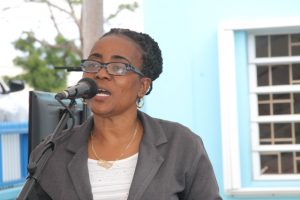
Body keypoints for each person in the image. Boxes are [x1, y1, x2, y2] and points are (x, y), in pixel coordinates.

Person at [27, 28, 222, 200]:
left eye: (118, 67)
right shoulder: (50, 153)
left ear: (143, 86)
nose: (101, 74)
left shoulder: (182, 145)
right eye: (93, 64)